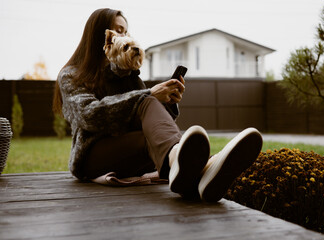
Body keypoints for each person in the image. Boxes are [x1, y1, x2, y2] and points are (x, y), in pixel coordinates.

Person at [53, 8, 263, 202]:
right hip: (93, 159)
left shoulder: (126, 74)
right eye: (119, 31)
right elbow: (89, 115)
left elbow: (155, 127)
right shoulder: (71, 75)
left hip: (134, 153)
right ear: (101, 35)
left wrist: (167, 102)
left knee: (152, 117)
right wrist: (149, 94)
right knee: (147, 100)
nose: (125, 36)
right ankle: (205, 165)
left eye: (126, 31)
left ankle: (199, 175)